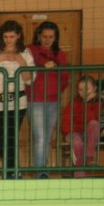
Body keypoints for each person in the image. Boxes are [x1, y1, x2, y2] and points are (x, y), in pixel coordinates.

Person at [0, 21, 34, 179]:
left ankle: (12, 172)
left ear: (18, 36)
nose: (9, 40)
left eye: (12, 37)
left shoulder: (25, 52)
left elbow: (30, 79)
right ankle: (12, 169)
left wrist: (20, 61)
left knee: (10, 138)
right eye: (5, 37)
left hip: (18, 102)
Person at [28, 21, 69, 177]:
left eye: (51, 37)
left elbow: (65, 78)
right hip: (35, 100)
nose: (47, 40)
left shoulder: (60, 54)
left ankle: (42, 169)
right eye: (44, 36)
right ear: (39, 36)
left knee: (47, 138)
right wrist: (42, 67)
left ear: (55, 38)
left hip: (53, 101)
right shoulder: (31, 50)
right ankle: (41, 173)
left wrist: (56, 90)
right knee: (40, 137)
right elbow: (27, 70)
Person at [61, 75, 100, 177]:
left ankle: (89, 157)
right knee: (77, 143)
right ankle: (79, 176)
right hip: (72, 133)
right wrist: (77, 129)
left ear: (94, 89)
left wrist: (87, 103)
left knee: (94, 124)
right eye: (81, 90)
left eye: (87, 89)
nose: (84, 92)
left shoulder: (98, 103)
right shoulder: (73, 103)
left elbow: (92, 119)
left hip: (89, 134)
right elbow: (65, 125)